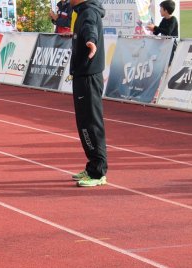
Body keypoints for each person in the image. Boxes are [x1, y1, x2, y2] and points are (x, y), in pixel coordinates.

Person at [69, 0, 107, 187]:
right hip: (83, 75)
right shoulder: (82, 11)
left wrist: (91, 42)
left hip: (88, 76)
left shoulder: (89, 12)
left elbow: (90, 29)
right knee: (84, 123)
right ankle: (93, 165)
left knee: (91, 123)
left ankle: (97, 172)